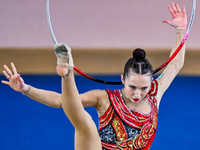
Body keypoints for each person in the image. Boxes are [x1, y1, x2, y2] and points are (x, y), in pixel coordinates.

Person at [2, 2, 187, 150]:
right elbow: (61, 101)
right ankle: (67, 73)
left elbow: (176, 64)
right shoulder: (104, 97)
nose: (138, 94)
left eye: (143, 88)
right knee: (85, 124)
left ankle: (67, 72)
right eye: (132, 87)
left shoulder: (155, 92)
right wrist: (26, 89)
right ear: (123, 80)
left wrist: (180, 30)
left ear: (150, 85)